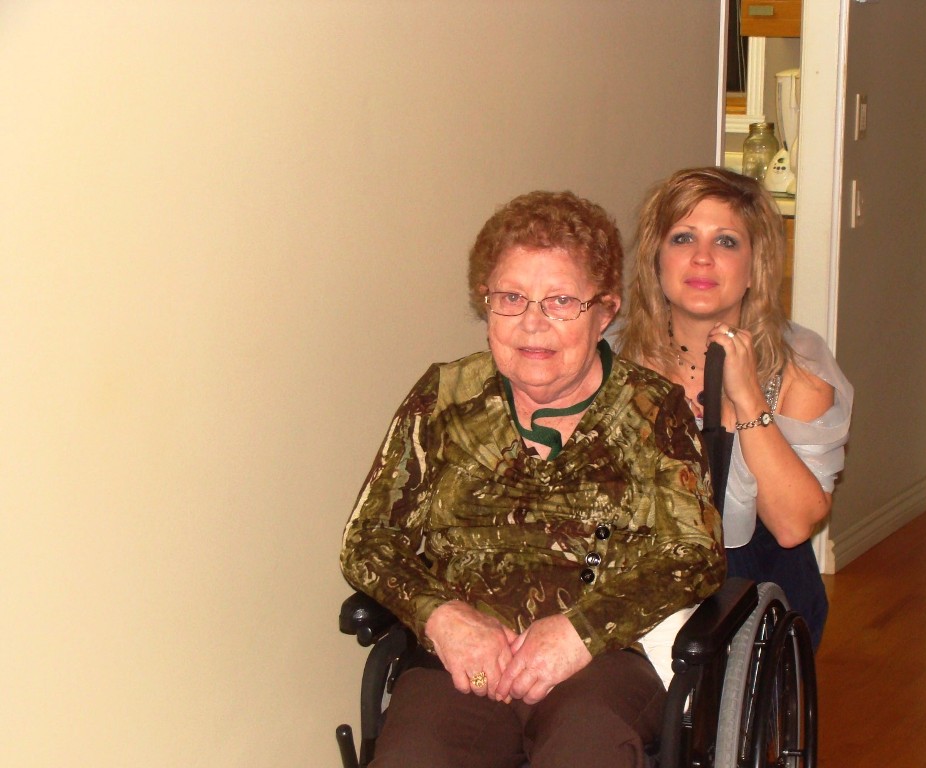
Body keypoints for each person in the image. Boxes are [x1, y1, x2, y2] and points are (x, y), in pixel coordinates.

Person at [340, 190, 725, 768]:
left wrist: (580, 632)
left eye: (561, 301)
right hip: (463, 662)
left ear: (605, 312)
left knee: (585, 748)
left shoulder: (651, 409)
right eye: (511, 298)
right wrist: (442, 617)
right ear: (486, 303)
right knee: (413, 756)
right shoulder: (444, 397)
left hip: (604, 659)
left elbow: (694, 553)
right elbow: (368, 540)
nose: (532, 323)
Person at [618, 167, 853, 651]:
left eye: (725, 241)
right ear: (656, 260)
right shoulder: (612, 359)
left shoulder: (800, 368)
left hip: (756, 604)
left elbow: (793, 526)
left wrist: (746, 399)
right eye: (683, 237)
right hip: (635, 589)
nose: (702, 257)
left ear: (754, 267)